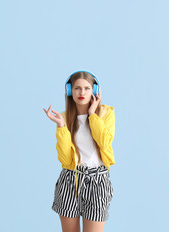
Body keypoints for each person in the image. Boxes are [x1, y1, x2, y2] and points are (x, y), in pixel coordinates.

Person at [43, 70, 116, 232]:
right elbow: (65, 159)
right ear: (69, 91)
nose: (82, 93)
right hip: (70, 180)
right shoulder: (64, 118)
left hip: (98, 181)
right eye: (77, 88)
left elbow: (105, 142)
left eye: (87, 88)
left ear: (95, 91)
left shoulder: (106, 114)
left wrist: (92, 115)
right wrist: (61, 127)